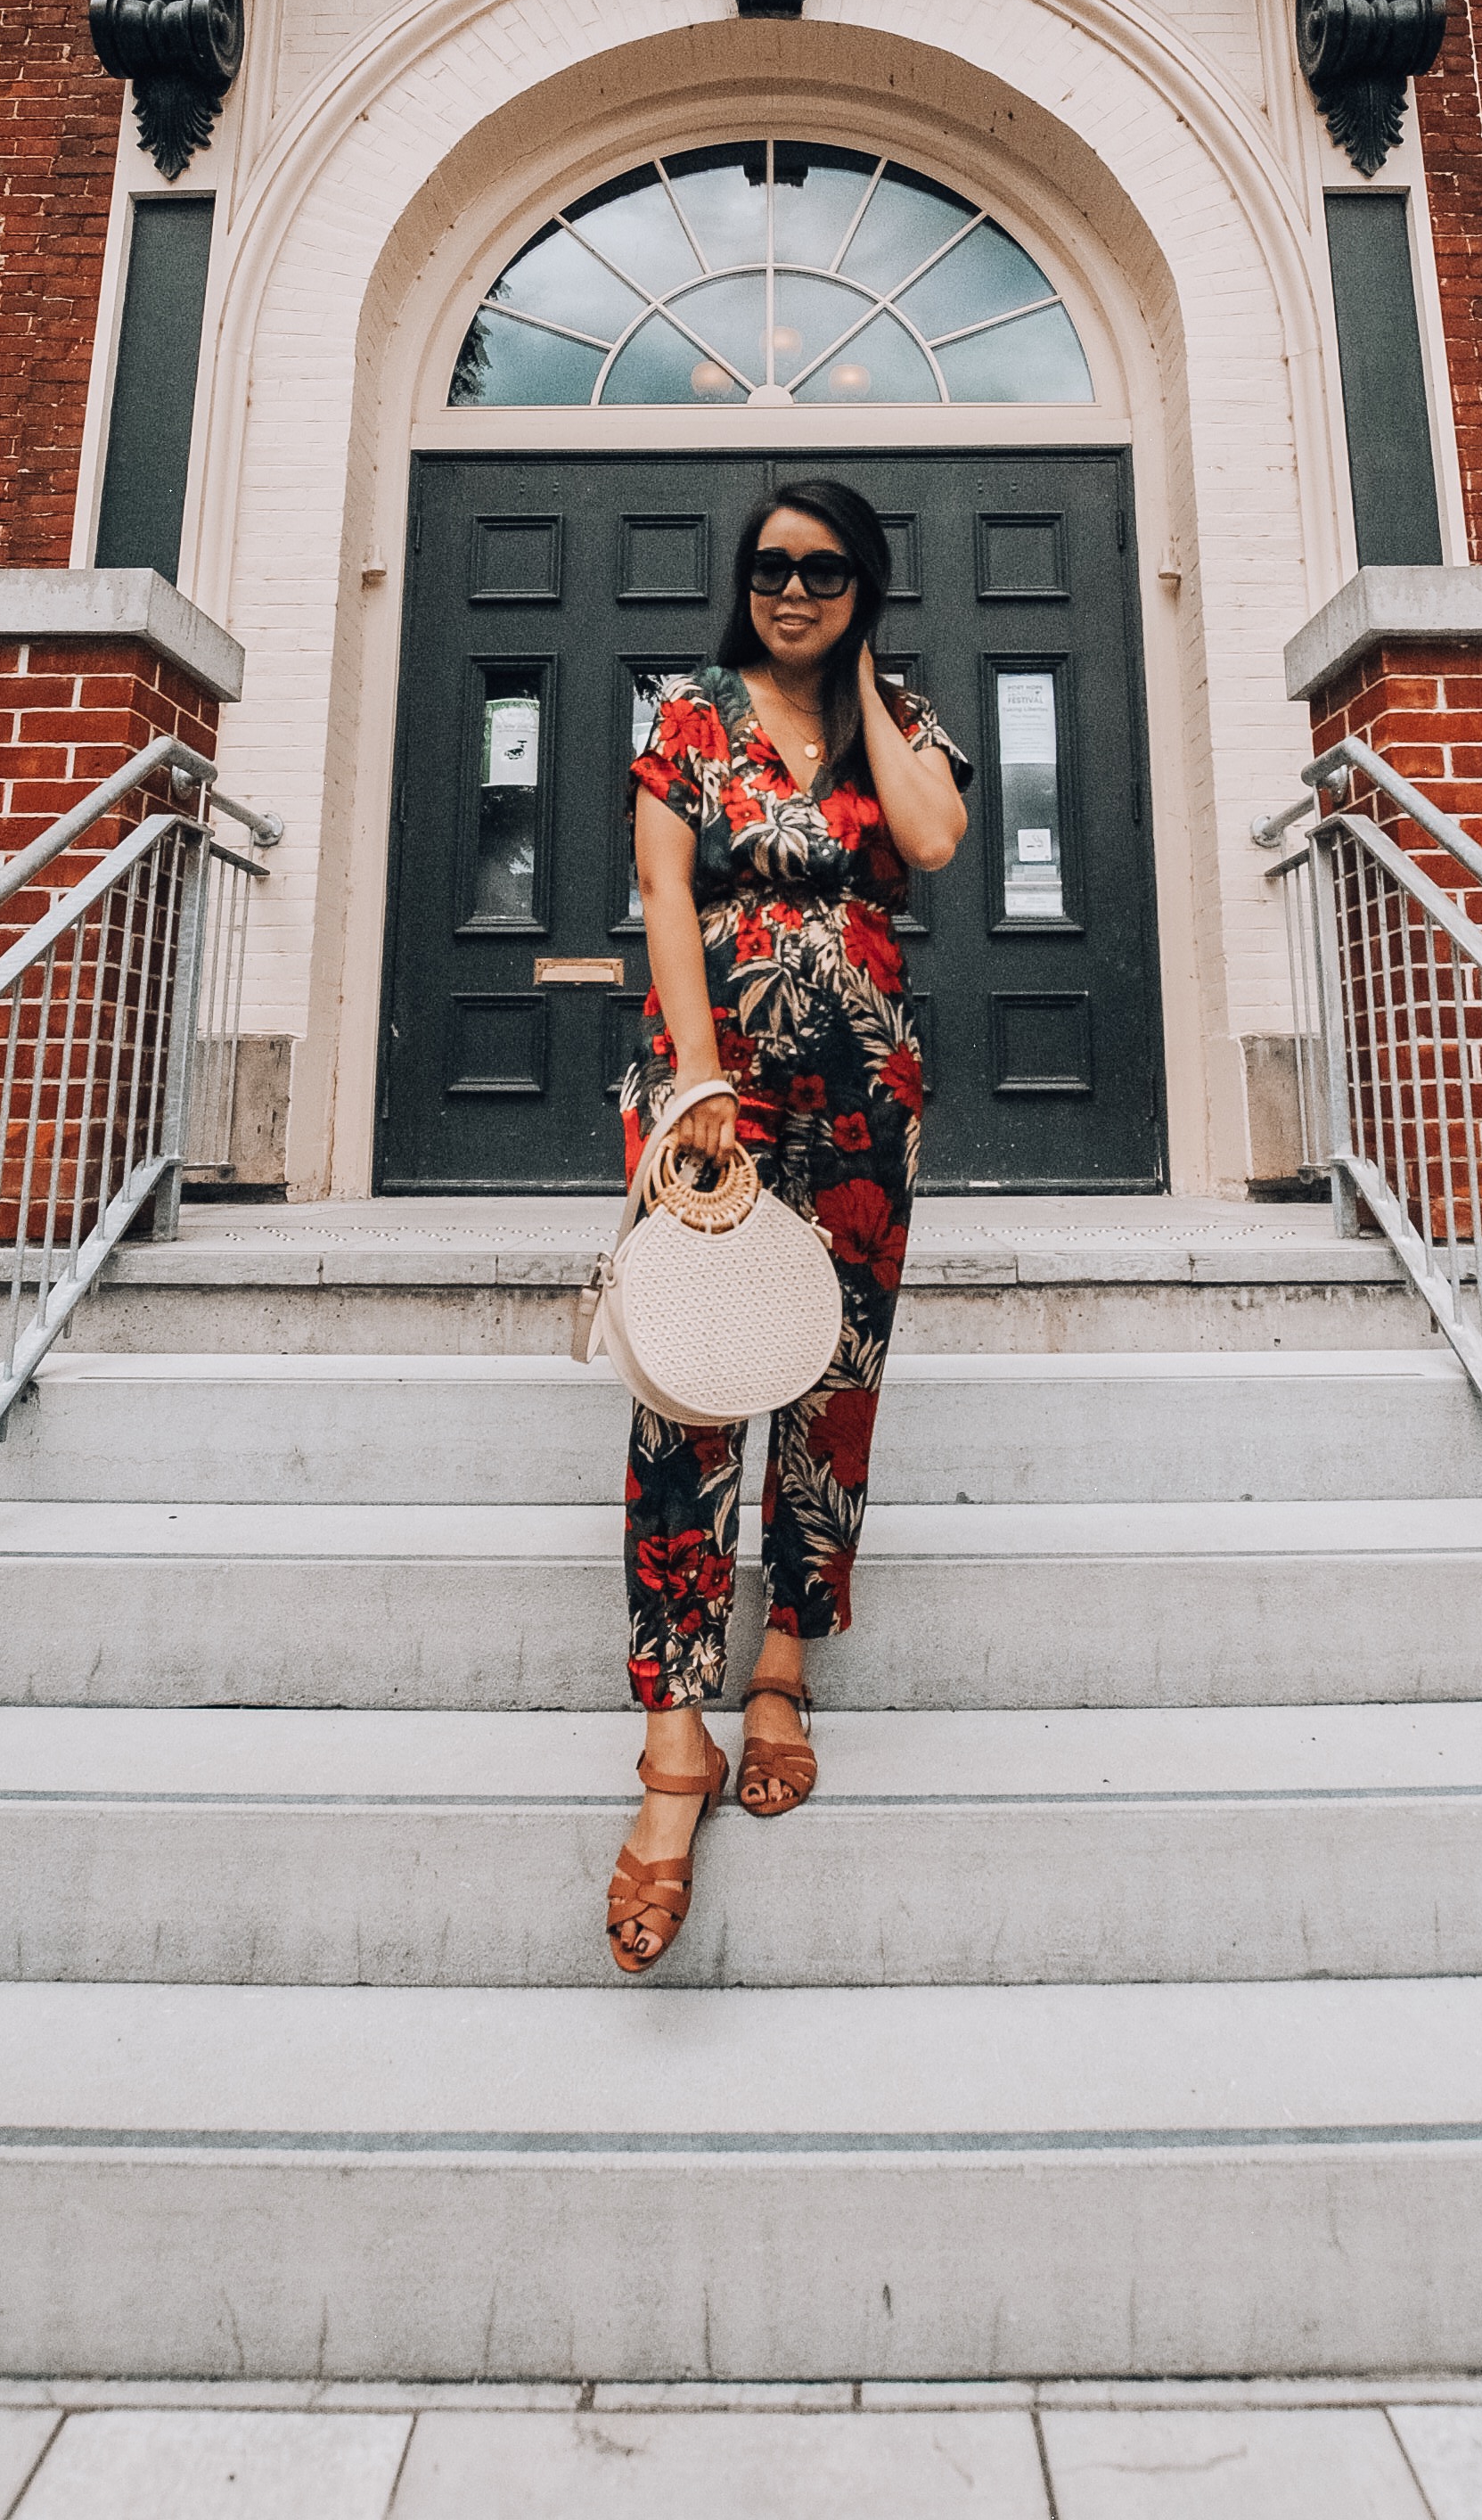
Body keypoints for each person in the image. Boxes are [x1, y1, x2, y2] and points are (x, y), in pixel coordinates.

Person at [604, 477, 970, 1975]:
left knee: (837, 1377)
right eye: (769, 570)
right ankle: (673, 1743)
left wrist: (871, 673)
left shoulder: (906, 716)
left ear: (863, 582)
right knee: (687, 1390)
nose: (793, 591)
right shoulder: (689, 711)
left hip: (869, 1090)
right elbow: (664, 889)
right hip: (715, 1083)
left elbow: (936, 843)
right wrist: (694, 1075)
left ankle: (784, 1660)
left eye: (823, 571)